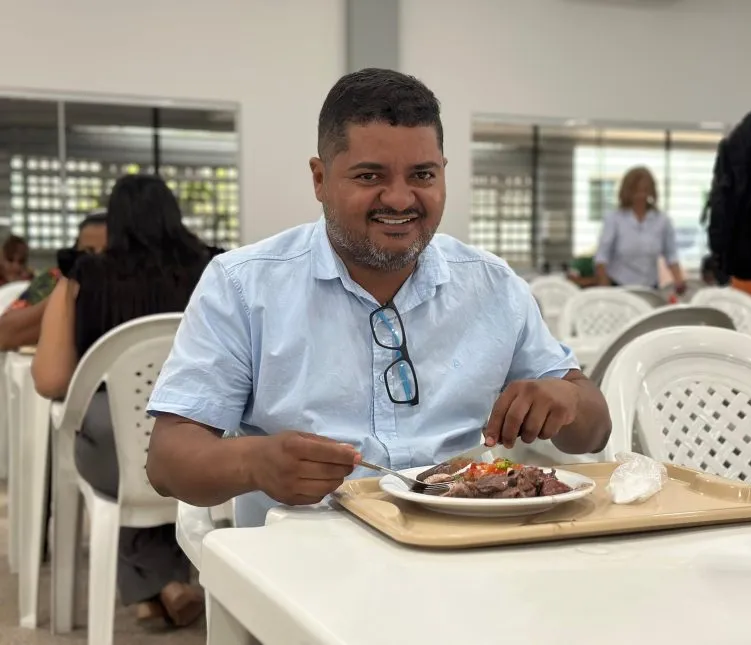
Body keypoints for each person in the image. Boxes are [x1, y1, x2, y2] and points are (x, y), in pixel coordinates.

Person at [144, 68, 612, 529]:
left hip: (468, 549)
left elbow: (595, 429)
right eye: (370, 176)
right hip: (304, 559)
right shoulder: (244, 286)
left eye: (422, 175)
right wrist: (254, 462)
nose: (400, 199)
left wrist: (565, 399)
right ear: (320, 179)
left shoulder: (492, 284)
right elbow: (167, 462)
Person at [32, 174, 221, 628]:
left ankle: (157, 590)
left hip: (117, 447)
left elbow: (50, 379)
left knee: (123, 444)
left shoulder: (84, 275)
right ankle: (169, 584)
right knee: (161, 448)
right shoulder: (217, 271)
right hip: (206, 439)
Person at [0, 213, 107, 351]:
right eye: (88, 252)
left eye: (106, 253)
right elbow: (4, 334)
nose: (97, 261)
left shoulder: (132, 286)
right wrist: (66, 296)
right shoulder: (54, 279)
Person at [594, 166, 686, 293]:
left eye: (645, 190)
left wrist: (679, 280)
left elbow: (671, 255)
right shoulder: (614, 219)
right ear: (627, 191)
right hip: (619, 286)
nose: (641, 195)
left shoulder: (662, 221)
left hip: (650, 287)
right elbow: (602, 257)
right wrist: (604, 289)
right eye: (636, 190)